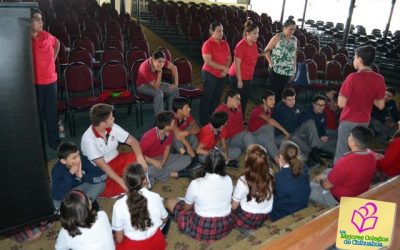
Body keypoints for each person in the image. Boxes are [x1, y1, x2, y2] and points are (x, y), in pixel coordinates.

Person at [81, 103, 147, 198]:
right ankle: (130, 183)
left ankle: (132, 182)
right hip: (100, 169)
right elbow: (103, 166)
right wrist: (122, 183)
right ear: (102, 123)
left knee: (137, 157)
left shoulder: (112, 127)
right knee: (105, 188)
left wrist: (140, 158)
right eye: (111, 118)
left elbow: (133, 141)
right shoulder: (88, 139)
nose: (114, 119)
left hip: (116, 159)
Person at [166, 149, 233, 242]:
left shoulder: (196, 184)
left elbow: (186, 208)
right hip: (225, 225)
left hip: (203, 226)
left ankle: (183, 220)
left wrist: (192, 200)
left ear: (205, 165)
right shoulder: (228, 179)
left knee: (170, 201)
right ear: (223, 166)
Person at [334, 45, 386, 163]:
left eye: (355, 57)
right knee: (357, 153)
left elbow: (341, 104)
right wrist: (367, 93)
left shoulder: (352, 77)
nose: (354, 60)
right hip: (364, 121)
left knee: (341, 153)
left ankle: (337, 177)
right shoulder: (380, 79)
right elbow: (381, 105)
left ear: (360, 60)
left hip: (348, 120)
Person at [310, 126, 376, 207]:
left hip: (337, 198)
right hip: (358, 191)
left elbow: (326, 186)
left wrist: (320, 178)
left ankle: (320, 198)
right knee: (328, 170)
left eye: (350, 136)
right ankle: (317, 194)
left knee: (306, 186)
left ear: (353, 143)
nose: (348, 137)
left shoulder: (346, 162)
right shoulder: (371, 154)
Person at [112, 164, 168, 250]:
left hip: (134, 246)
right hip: (156, 243)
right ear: (145, 180)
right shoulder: (156, 197)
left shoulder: (118, 206)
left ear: (125, 183)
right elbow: (164, 219)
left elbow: (119, 239)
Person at [272, 88, 326, 166]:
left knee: (310, 122)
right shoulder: (279, 109)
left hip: (295, 130)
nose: (292, 102)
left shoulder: (297, 107)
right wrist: (284, 133)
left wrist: (316, 110)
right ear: (283, 100)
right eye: (289, 100)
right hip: (284, 135)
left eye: (293, 99)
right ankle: (309, 156)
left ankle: (315, 150)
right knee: (294, 137)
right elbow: (275, 124)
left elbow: (304, 117)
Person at [31, 8, 61, 150]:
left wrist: (53, 59)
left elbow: (58, 44)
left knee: (51, 114)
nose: (41, 22)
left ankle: (54, 143)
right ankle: (37, 144)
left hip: (51, 82)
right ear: (29, 22)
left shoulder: (47, 36)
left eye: (41, 19)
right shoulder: (26, 41)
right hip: (35, 83)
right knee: (36, 115)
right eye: (37, 19)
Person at [140, 111, 191, 185]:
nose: (174, 124)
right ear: (166, 126)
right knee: (149, 170)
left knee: (187, 159)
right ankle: (174, 174)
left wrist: (162, 163)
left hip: (162, 158)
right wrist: (153, 162)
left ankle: (159, 173)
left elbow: (167, 149)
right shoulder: (148, 137)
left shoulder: (169, 132)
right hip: (147, 160)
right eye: (173, 123)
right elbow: (138, 154)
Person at [231, 144, 274, 234]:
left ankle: (246, 230)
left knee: (228, 213)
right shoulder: (270, 172)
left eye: (247, 155)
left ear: (249, 162)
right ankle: (254, 227)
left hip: (248, 216)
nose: (245, 156)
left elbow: (234, 206)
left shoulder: (243, 180)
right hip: (264, 214)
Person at [52, 142, 106, 209]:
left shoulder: (82, 159)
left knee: (101, 184)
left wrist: (83, 176)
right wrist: (70, 174)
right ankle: (86, 205)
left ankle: (81, 207)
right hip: (68, 194)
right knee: (55, 204)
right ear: (63, 161)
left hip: (81, 190)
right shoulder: (57, 170)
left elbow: (102, 175)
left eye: (78, 155)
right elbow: (57, 195)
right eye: (74, 158)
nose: (78, 159)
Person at [199, 22, 231, 125]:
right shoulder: (207, 44)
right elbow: (208, 61)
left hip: (222, 75)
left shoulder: (225, 43)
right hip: (210, 73)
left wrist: (225, 70)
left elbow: (229, 58)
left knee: (216, 99)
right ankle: (204, 122)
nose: (221, 33)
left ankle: (213, 120)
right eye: (218, 31)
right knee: (207, 98)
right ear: (212, 32)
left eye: (222, 30)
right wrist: (224, 68)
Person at [270, 141, 311, 221]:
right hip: (302, 206)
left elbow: (273, 196)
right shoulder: (305, 168)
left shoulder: (278, 178)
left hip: (283, 214)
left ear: (281, 157)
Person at [228, 20, 259, 117]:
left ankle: (240, 119)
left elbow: (253, 56)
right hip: (237, 76)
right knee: (236, 100)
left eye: (257, 33)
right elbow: (237, 64)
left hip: (248, 76)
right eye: (254, 33)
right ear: (247, 34)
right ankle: (233, 119)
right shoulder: (241, 45)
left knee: (245, 99)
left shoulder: (254, 43)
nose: (257, 35)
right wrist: (240, 80)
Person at [248, 90, 289, 161]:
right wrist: (284, 131)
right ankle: (276, 156)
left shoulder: (270, 109)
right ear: (264, 101)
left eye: (274, 99)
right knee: (270, 126)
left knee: (283, 139)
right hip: (253, 136)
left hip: (263, 134)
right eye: (270, 99)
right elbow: (270, 120)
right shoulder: (258, 110)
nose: (273, 101)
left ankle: (272, 151)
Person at [215, 90, 255, 161]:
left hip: (238, 137)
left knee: (240, 148)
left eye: (240, 99)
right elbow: (215, 129)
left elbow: (240, 123)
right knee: (246, 137)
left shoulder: (238, 106)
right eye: (237, 99)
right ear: (229, 99)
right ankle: (254, 162)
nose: (239, 101)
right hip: (227, 140)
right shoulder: (220, 111)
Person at [136, 49, 179, 115]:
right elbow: (156, 87)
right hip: (142, 86)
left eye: (163, 62)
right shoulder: (145, 67)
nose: (162, 64)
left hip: (155, 83)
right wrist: (160, 72)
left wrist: (175, 84)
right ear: (153, 59)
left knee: (175, 89)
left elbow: (174, 68)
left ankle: (171, 112)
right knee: (159, 93)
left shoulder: (160, 60)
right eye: (159, 62)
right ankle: (160, 118)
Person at [264, 19, 297, 101]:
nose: (292, 31)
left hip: (287, 71)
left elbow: (294, 55)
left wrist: (294, 69)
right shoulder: (278, 37)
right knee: (274, 93)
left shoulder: (294, 39)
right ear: (284, 28)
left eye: (294, 29)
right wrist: (271, 63)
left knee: (282, 93)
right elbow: (266, 51)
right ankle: (271, 111)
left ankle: (278, 112)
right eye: (290, 29)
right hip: (276, 70)